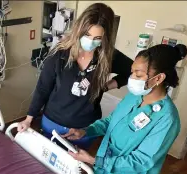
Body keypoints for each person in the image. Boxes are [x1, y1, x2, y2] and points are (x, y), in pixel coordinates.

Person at [63, 44, 187, 174]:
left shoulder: (167, 119)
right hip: (103, 164)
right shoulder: (134, 97)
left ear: (159, 78)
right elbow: (112, 121)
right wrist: (87, 131)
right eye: (132, 73)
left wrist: (94, 160)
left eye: (138, 75)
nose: (131, 79)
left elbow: (142, 161)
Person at [17, 3, 133, 150]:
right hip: (53, 121)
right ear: (79, 30)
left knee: (75, 168)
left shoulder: (109, 56)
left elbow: (133, 71)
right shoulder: (60, 54)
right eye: (87, 35)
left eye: (97, 38)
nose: (91, 41)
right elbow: (43, 88)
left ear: (105, 38)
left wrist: (107, 85)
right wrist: (29, 119)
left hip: (84, 127)